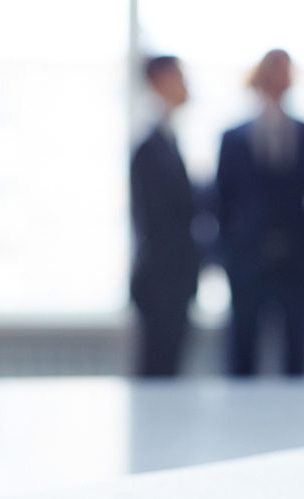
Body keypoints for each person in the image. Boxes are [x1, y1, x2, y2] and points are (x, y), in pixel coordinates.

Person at [216, 49, 304, 376]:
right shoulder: (233, 139)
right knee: (242, 356)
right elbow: (221, 204)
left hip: (298, 264)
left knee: (298, 359)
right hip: (247, 263)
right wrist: (226, 256)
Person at [130, 55, 200, 377]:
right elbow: (157, 220)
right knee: (157, 371)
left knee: (169, 369)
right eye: (179, 78)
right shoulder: (149, 146)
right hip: (161, 282)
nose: (186, 86)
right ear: (159, 82)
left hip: (176, 280)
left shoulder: (170, 140)